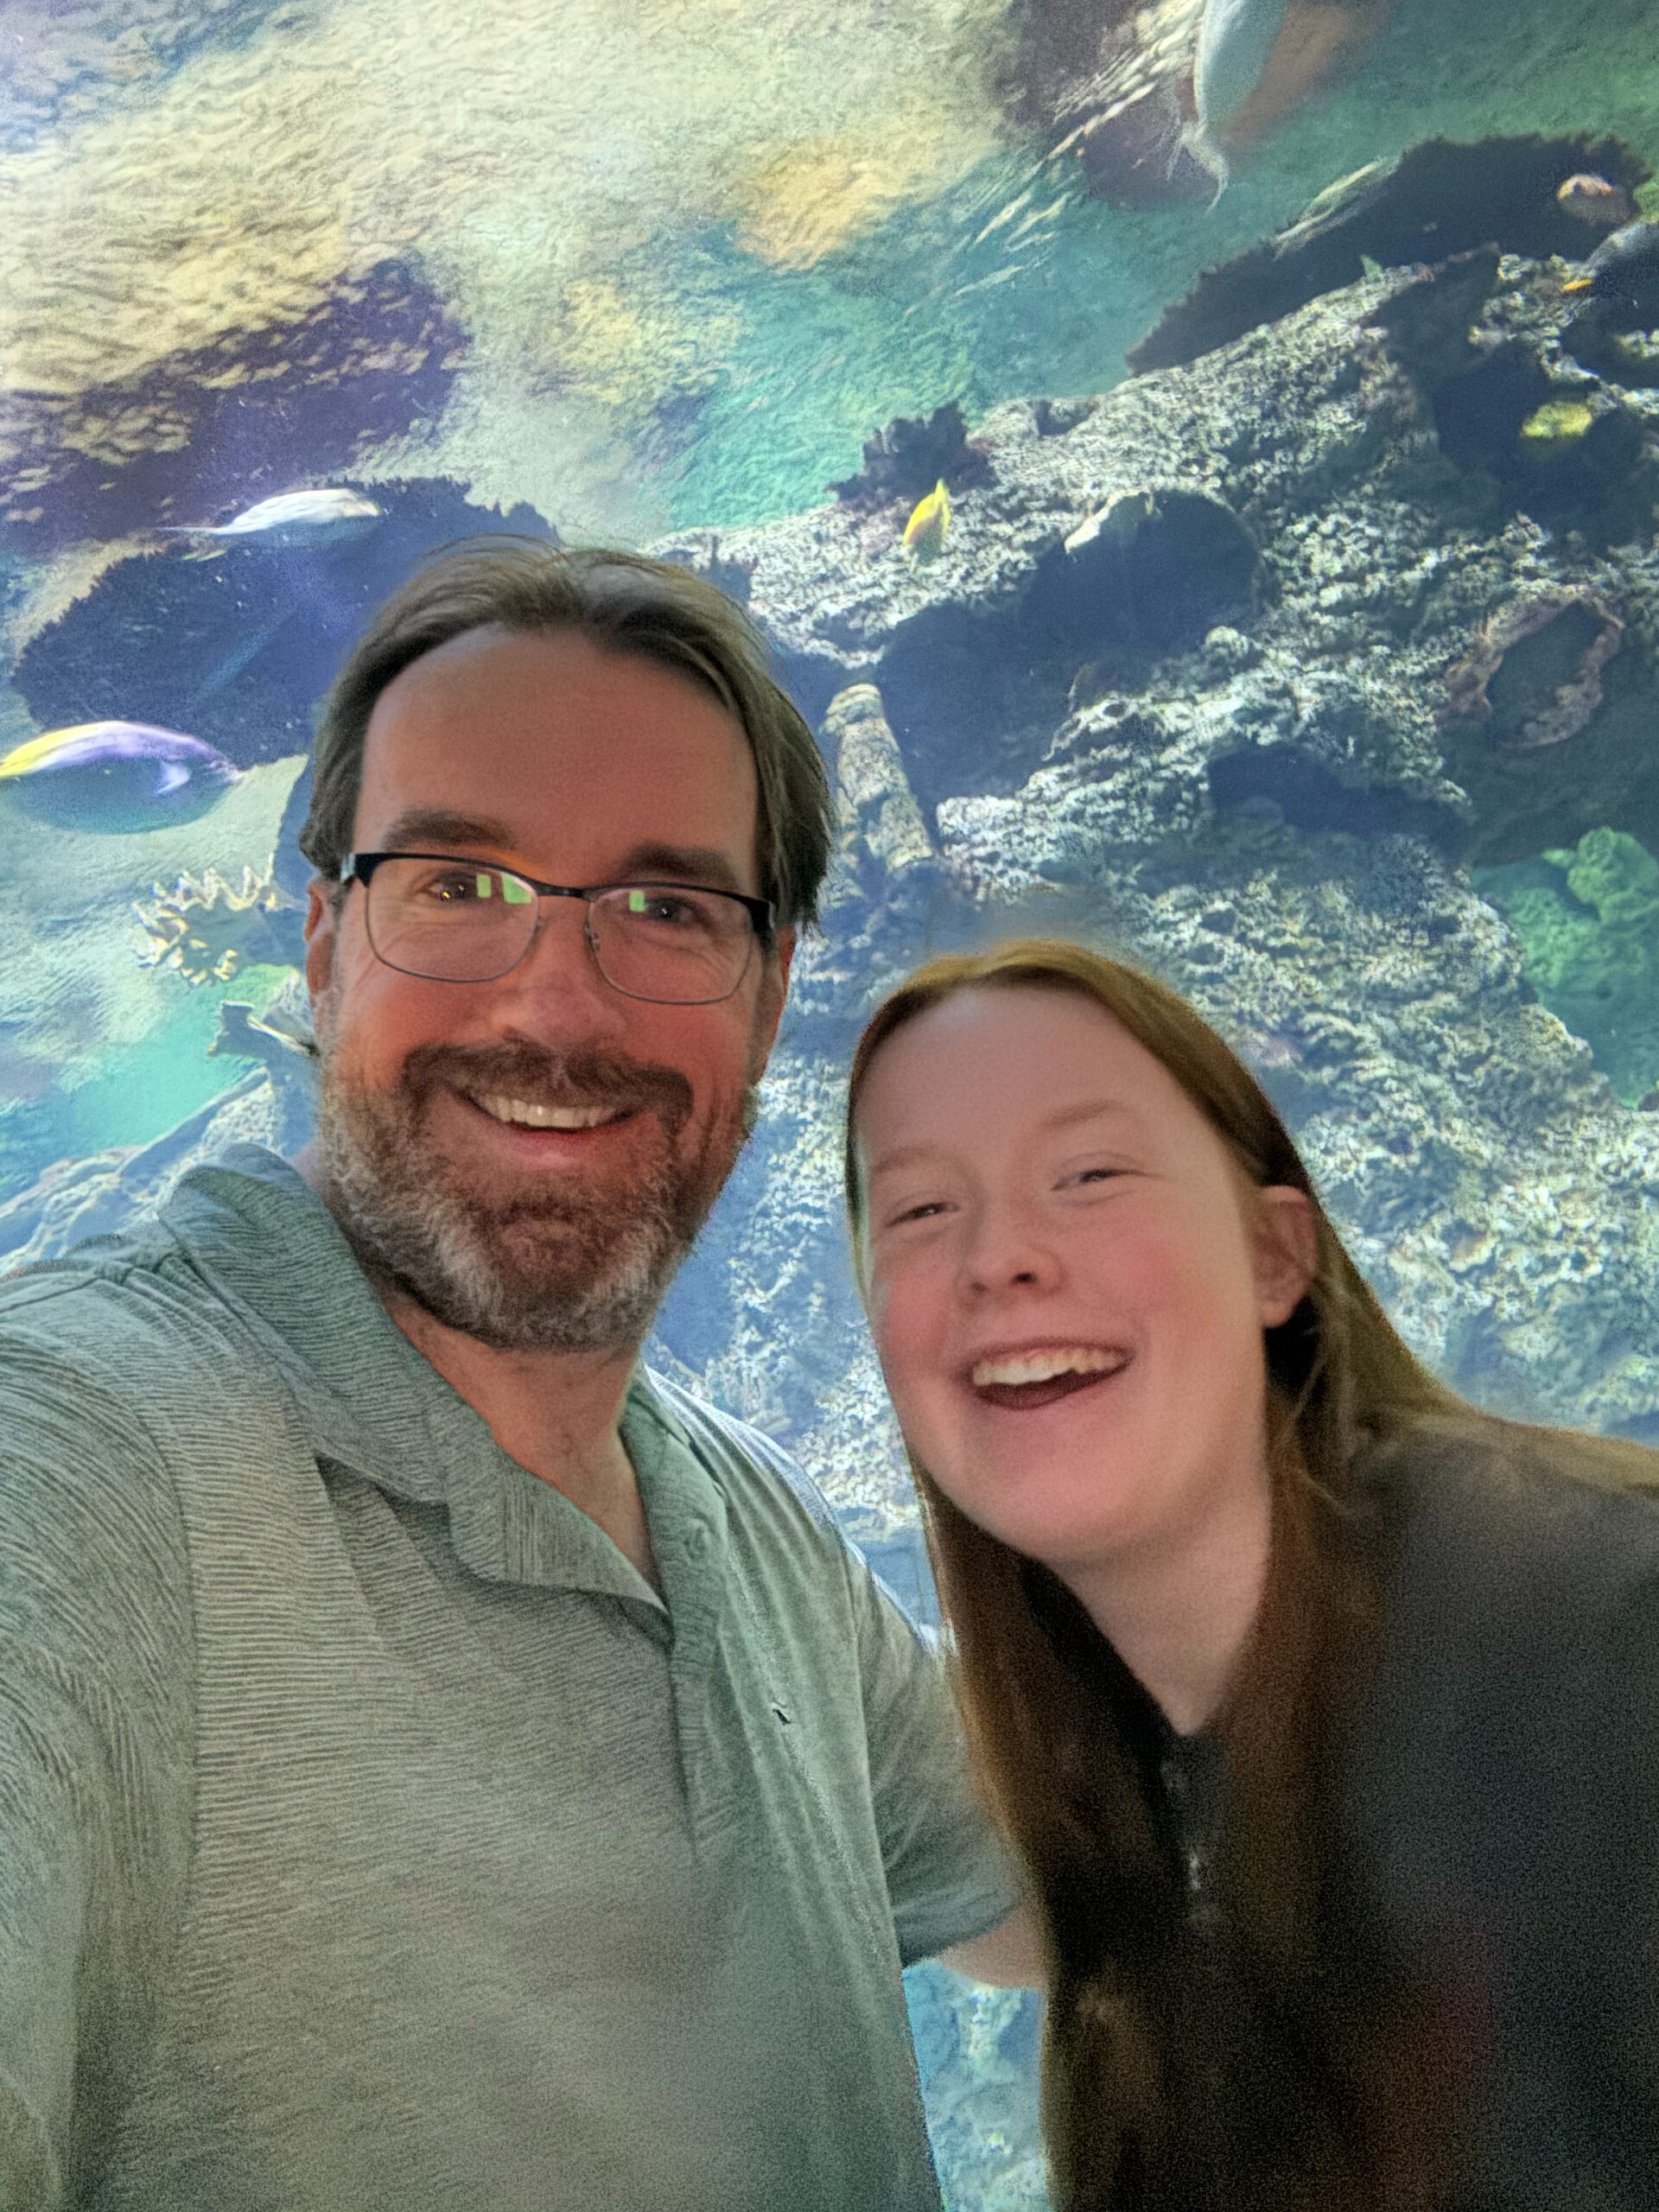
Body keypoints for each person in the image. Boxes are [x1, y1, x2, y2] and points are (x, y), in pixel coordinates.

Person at [0, 543, 1031, 2212]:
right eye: (459, 887)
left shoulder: (742, 1521)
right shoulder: (77, 1458)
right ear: (325, 946)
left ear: (770, 1000)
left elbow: (1060, 1886)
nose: (558, 1003)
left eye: (669, 907)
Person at [844, 934, 1659, 2212]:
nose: (1000, 1255)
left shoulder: (1603, 1636)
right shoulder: (1121, 1780)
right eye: (920, 1208)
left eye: (1090, 1173)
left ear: (1278, 1254)